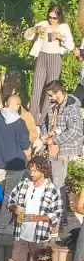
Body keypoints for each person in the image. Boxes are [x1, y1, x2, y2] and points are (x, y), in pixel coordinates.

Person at [6, 156, 61, 261]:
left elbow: (57, 213)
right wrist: (14, 208)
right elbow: (11, 200)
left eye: (35, 171)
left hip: (40, 236)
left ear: (43, 171)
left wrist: (39, 218)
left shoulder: (52, 189)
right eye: (30, 170)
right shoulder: (24, 183)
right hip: (21, 233)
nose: (31, 174)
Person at [0, 94, 31, 231]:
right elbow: (25, 145)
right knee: (10, 192)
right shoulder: (20, 123)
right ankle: (2, 222)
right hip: (16, 164)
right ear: (17, 105)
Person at [40, 80, 82, 227]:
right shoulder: (53, 106)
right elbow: (46, 123)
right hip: (52, 150)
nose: (49, 97)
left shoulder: (72, 108)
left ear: (59, 92)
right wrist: (45, 136)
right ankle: (60, 216)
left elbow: (75, 131)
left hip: (62, 151)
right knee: (55, 183)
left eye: (51, 95)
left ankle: (59, 220)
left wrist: (54, 140)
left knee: (58, 184)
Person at [24, 4, 75, 118]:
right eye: (49, 17)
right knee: (36, 87)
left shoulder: (64, 27)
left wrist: (61, 38)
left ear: (59, 17)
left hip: (55, 57)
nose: (51, 20)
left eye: (54, 18)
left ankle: (44, 118)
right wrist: (34, 30)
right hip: (42, 56)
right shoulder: (43, 24)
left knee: (51, 89)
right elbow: (26, 36)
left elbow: (71, 46)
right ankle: (33, 117)